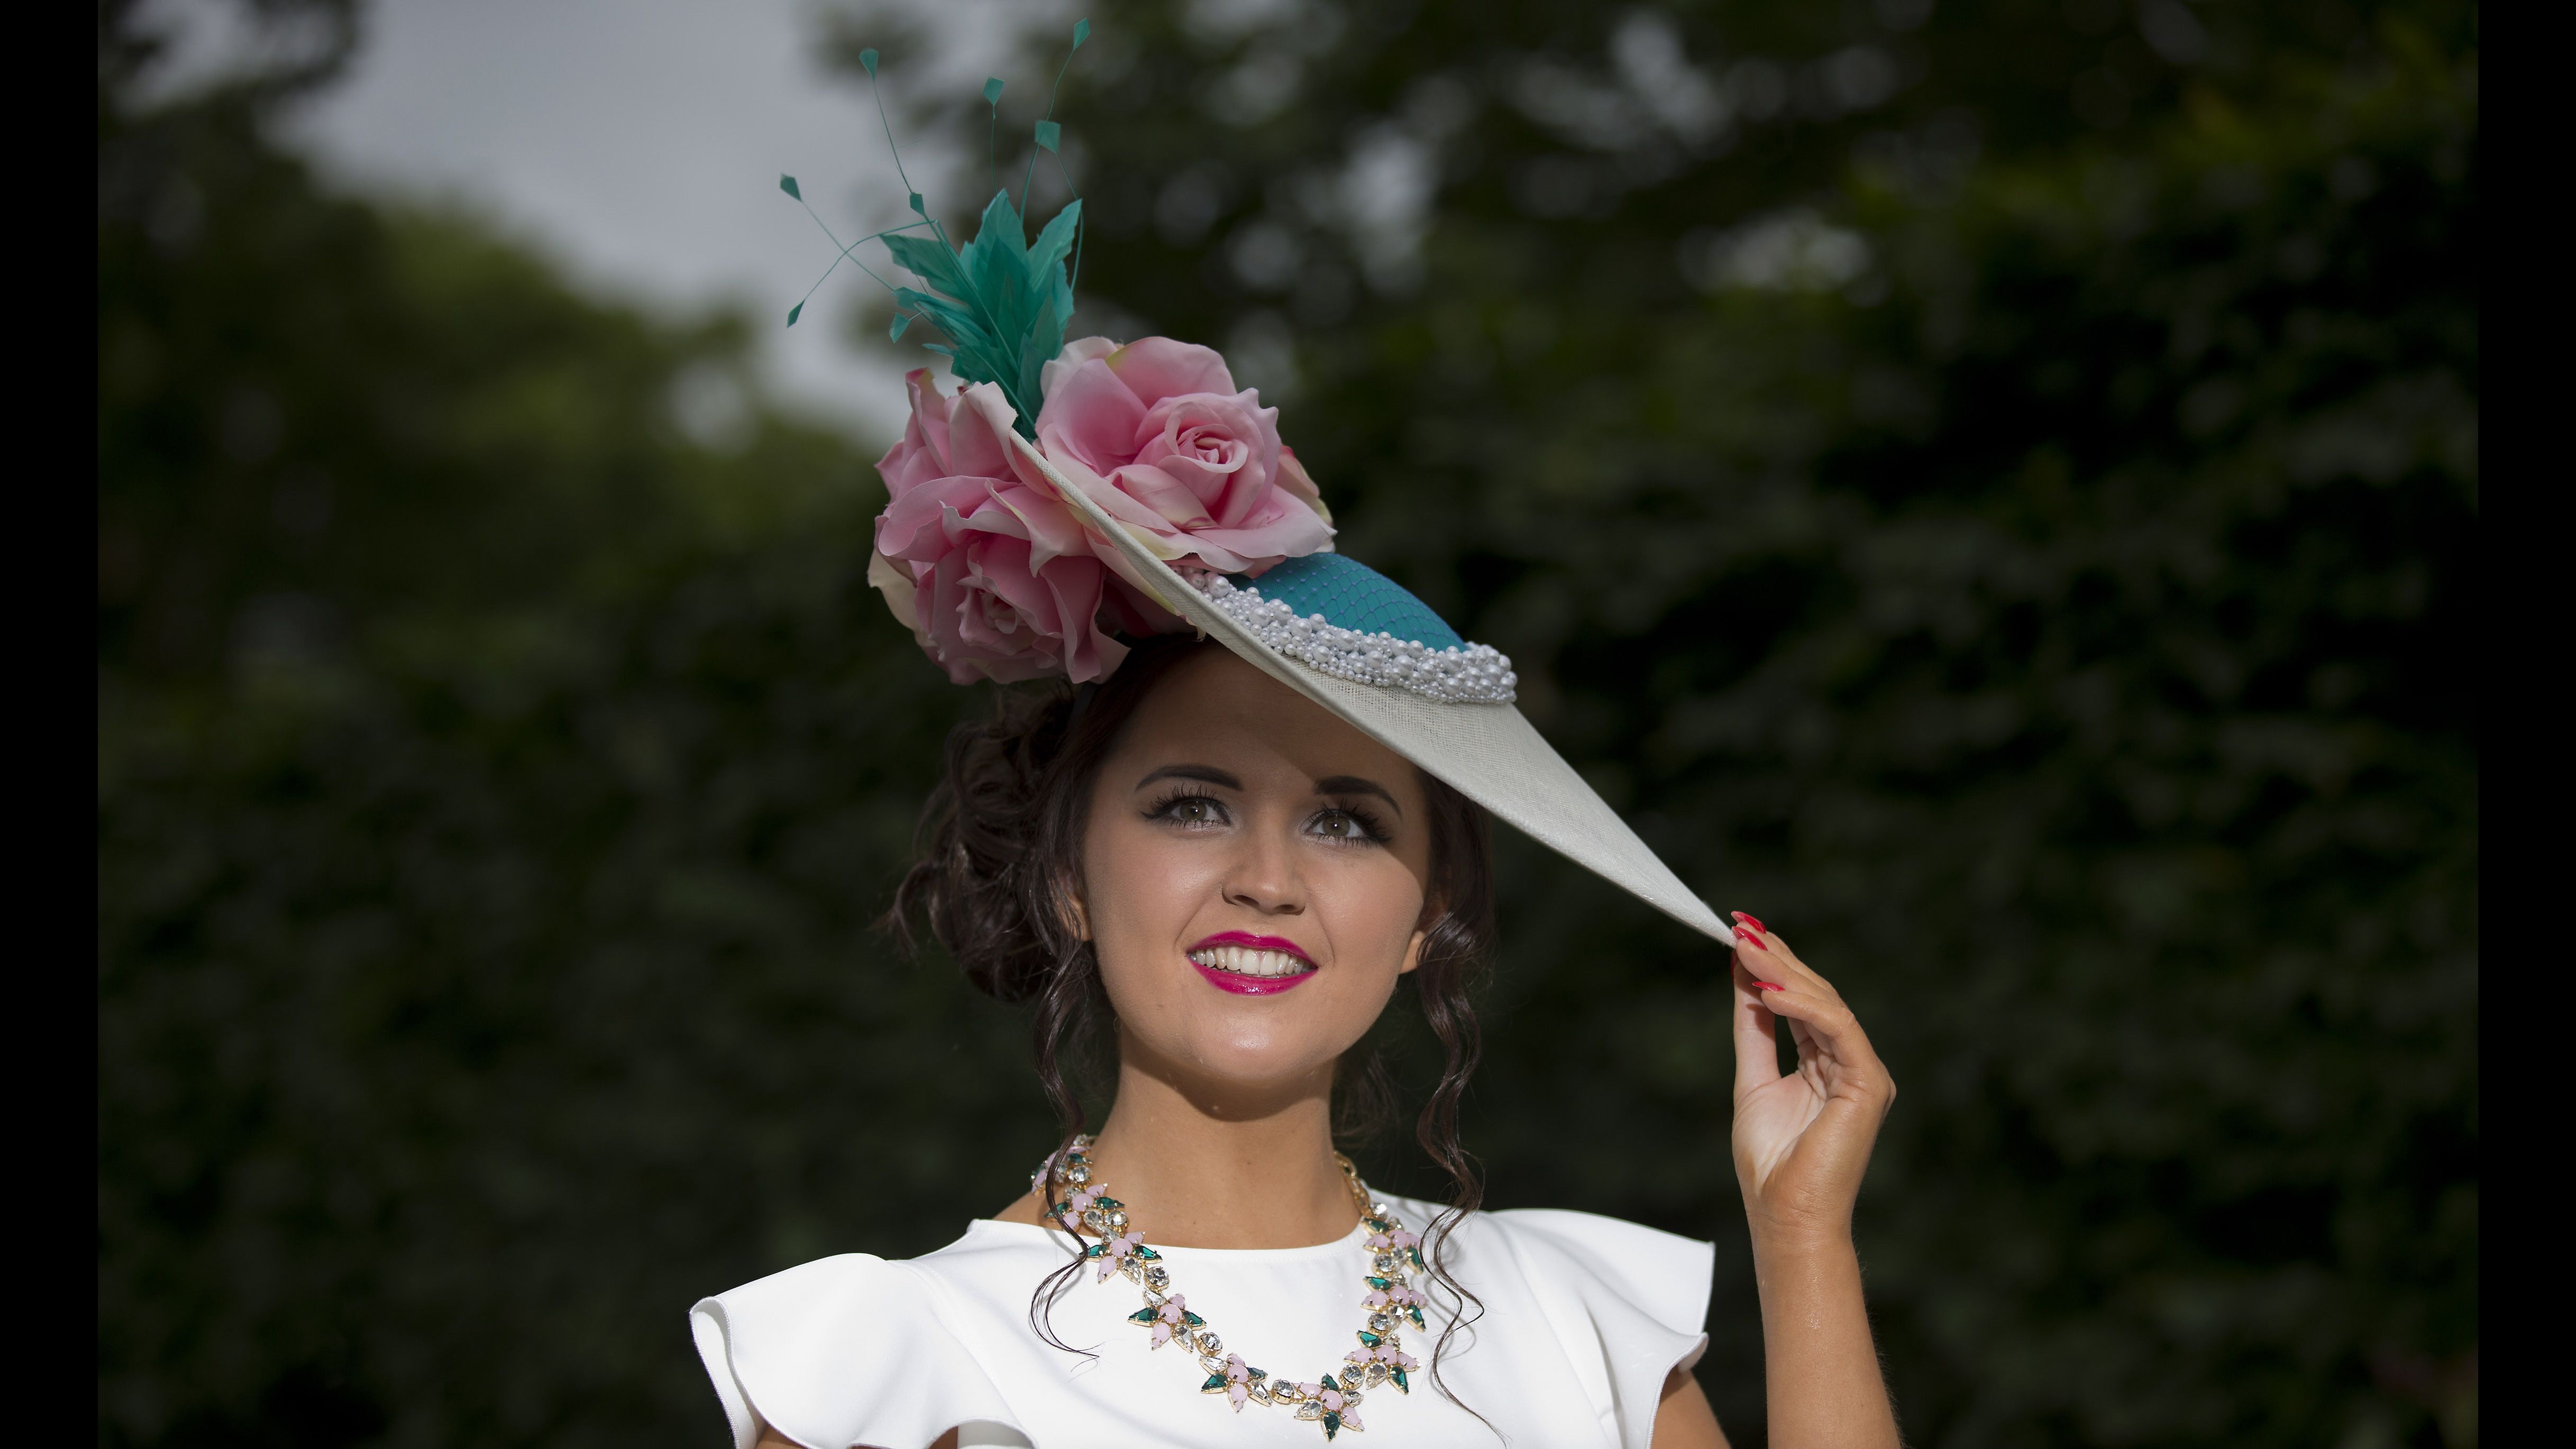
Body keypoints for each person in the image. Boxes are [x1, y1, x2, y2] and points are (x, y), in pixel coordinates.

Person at [698, 54, 1900, 1445]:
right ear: (1072, 872)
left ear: (1428, 913)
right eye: (1193, 804)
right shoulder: (891, 1365)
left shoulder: (1580, 1325)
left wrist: (1800, 1228)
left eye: (1346, 820)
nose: (1269, 875)